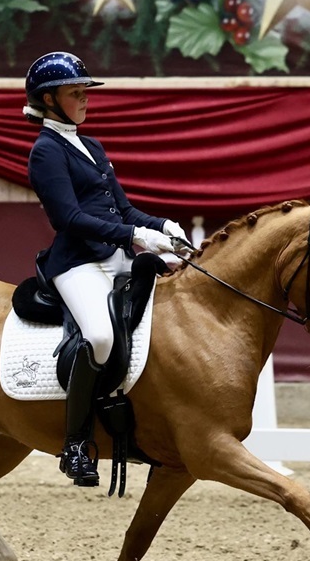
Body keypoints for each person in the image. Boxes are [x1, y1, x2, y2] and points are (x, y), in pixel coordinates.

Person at [23, 51, 188, 487]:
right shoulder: (45, 152)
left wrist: (161, 226)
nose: (85, 99)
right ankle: (75, 444)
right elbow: (69, 219)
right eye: (75, 93)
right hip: (77, 262)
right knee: (99, 336)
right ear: (49, 99)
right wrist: (134, 235)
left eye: (85, 92)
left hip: (116, 257)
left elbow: (124, 208)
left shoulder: (91, 146)